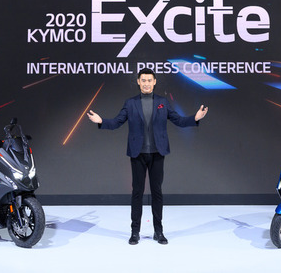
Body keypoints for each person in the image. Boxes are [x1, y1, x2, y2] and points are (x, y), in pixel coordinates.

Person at [86, 68, 208, 245]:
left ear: (155, 82)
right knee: (137, 193)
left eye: (149, 80)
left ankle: (159, 231)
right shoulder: (130, 103)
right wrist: (102, 121)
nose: (146, 83)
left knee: (157, 192)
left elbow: (179, 120)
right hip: (138, 154)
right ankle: (135, 232)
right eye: (143, 80)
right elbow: (117, 122)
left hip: (158, 153)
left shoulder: (162, 102)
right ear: (138, 82)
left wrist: (194, 118)